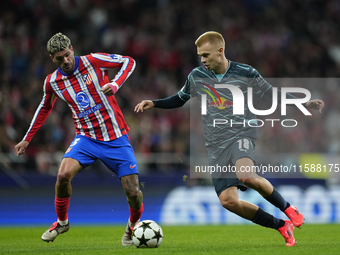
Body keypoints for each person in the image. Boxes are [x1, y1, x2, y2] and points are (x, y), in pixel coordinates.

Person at [134, 31, 325, 247]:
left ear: (220, 51)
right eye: (200, 56)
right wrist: (155, 102)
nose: (202, 60)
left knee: (246, 175)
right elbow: (179, 99)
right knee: (228, 201)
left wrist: (302, 103)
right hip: (216, 144)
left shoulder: (245, 72)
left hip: (242, 133)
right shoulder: (197, 76)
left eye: (205, 55)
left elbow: (271, 94)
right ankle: (281, 225)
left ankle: (289, 208)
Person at [15, 32, 143, 246]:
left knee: (133, 191)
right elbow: (45, 107)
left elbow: (129, 61)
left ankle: (131, 227)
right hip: (86, 139)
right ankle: (62, 222)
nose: (64, 61)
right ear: (51, 58)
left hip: (116, 137)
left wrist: (115, 84)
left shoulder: (92, 61)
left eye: (66, 55)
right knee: (63, 175)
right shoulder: (52, 81)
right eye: (59, 58)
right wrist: (27, 138)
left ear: (72, 49)